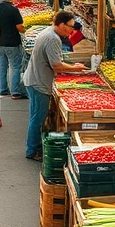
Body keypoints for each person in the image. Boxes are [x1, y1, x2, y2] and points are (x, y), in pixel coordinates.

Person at [23, 11, 86, 160]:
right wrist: (75, 68)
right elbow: (57, 66)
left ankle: (34, 148)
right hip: (39, 83)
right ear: (62, 25)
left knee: (35, 117)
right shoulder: (53, 39)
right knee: (37, 119)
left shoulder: (48, 32)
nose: (72, 30)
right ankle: (32, 151)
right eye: (70, 26)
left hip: (34, 79)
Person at [0, 0, 26, 99]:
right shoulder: (13, 9)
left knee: (2, 65)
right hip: (12, 42)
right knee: (15, 66)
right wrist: (26, 31)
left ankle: (2, 89)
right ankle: (15, 91)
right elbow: (19, 27)